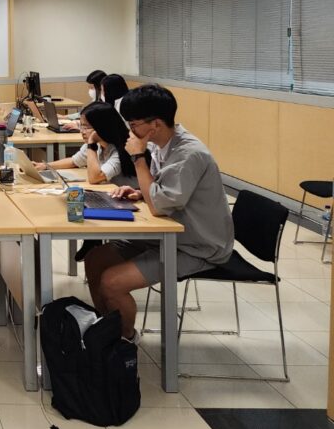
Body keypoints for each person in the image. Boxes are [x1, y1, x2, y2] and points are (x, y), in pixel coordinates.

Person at [84, 84, 234, 341]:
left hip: (196, 245)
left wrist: (138, 158)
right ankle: (106, 331)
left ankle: (124, 341)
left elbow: (158, 205)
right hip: (165, 233)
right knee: (95, 259)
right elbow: (159, 191)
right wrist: (139, 192)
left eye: (134, 124)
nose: (130, 131)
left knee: (112, 282)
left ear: (155, 125)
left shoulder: (188, 154)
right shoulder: (160, 144)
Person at [36, 102, 137, 188]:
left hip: (132, 199)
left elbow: (95, 178)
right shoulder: (98, 143)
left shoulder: (122, 148)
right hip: (111, 191)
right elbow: (74, 161)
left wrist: (91, 144)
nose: (82, 131)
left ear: (103, 127)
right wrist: (45, 166)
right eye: (81, 126)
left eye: (87, 127)